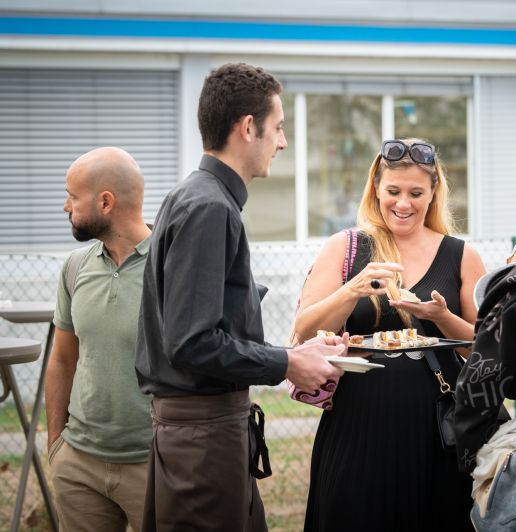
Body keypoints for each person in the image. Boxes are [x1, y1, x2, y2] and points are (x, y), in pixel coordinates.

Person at [135, 63, 345, 532]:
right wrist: (287, 364)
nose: (283, 142)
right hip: (202, 441)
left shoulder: (197, 197)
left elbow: (208, 325)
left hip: (205, 436)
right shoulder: (208, 207)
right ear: (249, 127)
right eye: (280, 127)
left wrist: (294, 352)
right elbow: (192, 343)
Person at [293, 138, 487, 531]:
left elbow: (482, 349)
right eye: (393, 191)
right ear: (376, 189)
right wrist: (353, 289)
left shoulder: (461, 255)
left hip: (437, 429)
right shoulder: (348, 247)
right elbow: (303, 332)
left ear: (433, 193)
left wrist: (443, 316)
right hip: (358, 425)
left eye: (416, 193)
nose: (403, 204)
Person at [46, 147, 153, 532]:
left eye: (73, 197)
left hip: (154, 466)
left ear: (105, 202)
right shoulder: (74, 267)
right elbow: (62, 360)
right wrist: (57, 445)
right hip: (79, 468)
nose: (65, 206)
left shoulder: (172, 265)